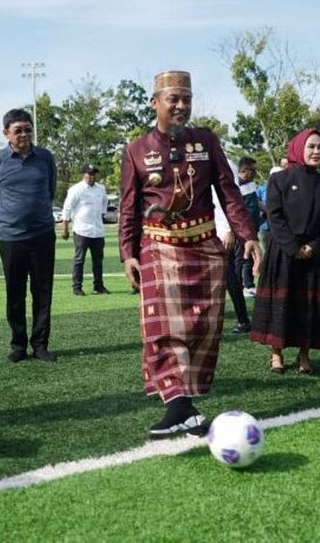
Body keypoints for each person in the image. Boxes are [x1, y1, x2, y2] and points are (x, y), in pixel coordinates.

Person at [118, 70, 261, 439]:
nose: (181, 106)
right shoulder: (136, 150)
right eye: (173, 99)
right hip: (158, 247)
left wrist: (247, 236)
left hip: (204, 247)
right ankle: (177, 406)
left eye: (187, 99)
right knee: (162, 329)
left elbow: (229, 194)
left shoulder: (207, 142)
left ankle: (187, 407)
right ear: (155, 103)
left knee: (202, 328)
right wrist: (127, 253)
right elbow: (129, 208)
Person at [250, 128, 320, 374]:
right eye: (311, 146)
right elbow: (275, 216)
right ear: (299, 148)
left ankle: (304, 354)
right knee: (281, 307)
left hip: (315, 256)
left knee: (309, 307)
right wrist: (293, 247)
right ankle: (276, 354)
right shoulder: (279, 180)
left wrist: (313, 246)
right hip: (283, 252)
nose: (316, 151)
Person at [0, 109, 58, 363]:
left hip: (42, 235)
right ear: (6, 133)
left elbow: (50, 191)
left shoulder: (45, 157)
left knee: (42, 292)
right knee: (15, 293)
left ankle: (40, 344)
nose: (25, 134)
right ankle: (18, 345)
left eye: (28, 129)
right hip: (11, 238)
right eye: (18, 130)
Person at [214, 159, 252, 335]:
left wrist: (228, 230)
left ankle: (243, 320)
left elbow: (230, 201)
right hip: (202, 229)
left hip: (220, 231)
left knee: (229, 277)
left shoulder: (226, 164)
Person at [62, 164, 110, 295]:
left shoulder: (101, 189)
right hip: (82, 230)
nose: (92, 177)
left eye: (94, 174)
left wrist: (102, 215)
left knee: (98, 261)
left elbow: (105, 202)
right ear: (83, 175)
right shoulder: (76, 189)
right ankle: (77, 287)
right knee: (79, 260)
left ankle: (98, 286)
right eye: (89, 174)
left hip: (98, 231)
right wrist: (65, 228)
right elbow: (67, 208)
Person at [236, 156, 262, 297]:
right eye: (253, 170)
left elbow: (255, 202)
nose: (254, 173)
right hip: (242, 229)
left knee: (250, 256)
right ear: (244, 169)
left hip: (253, 227)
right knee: (242, 257)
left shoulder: (251, 183)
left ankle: (247, 285)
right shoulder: (235, 184)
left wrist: (269, 211)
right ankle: (243, 285)